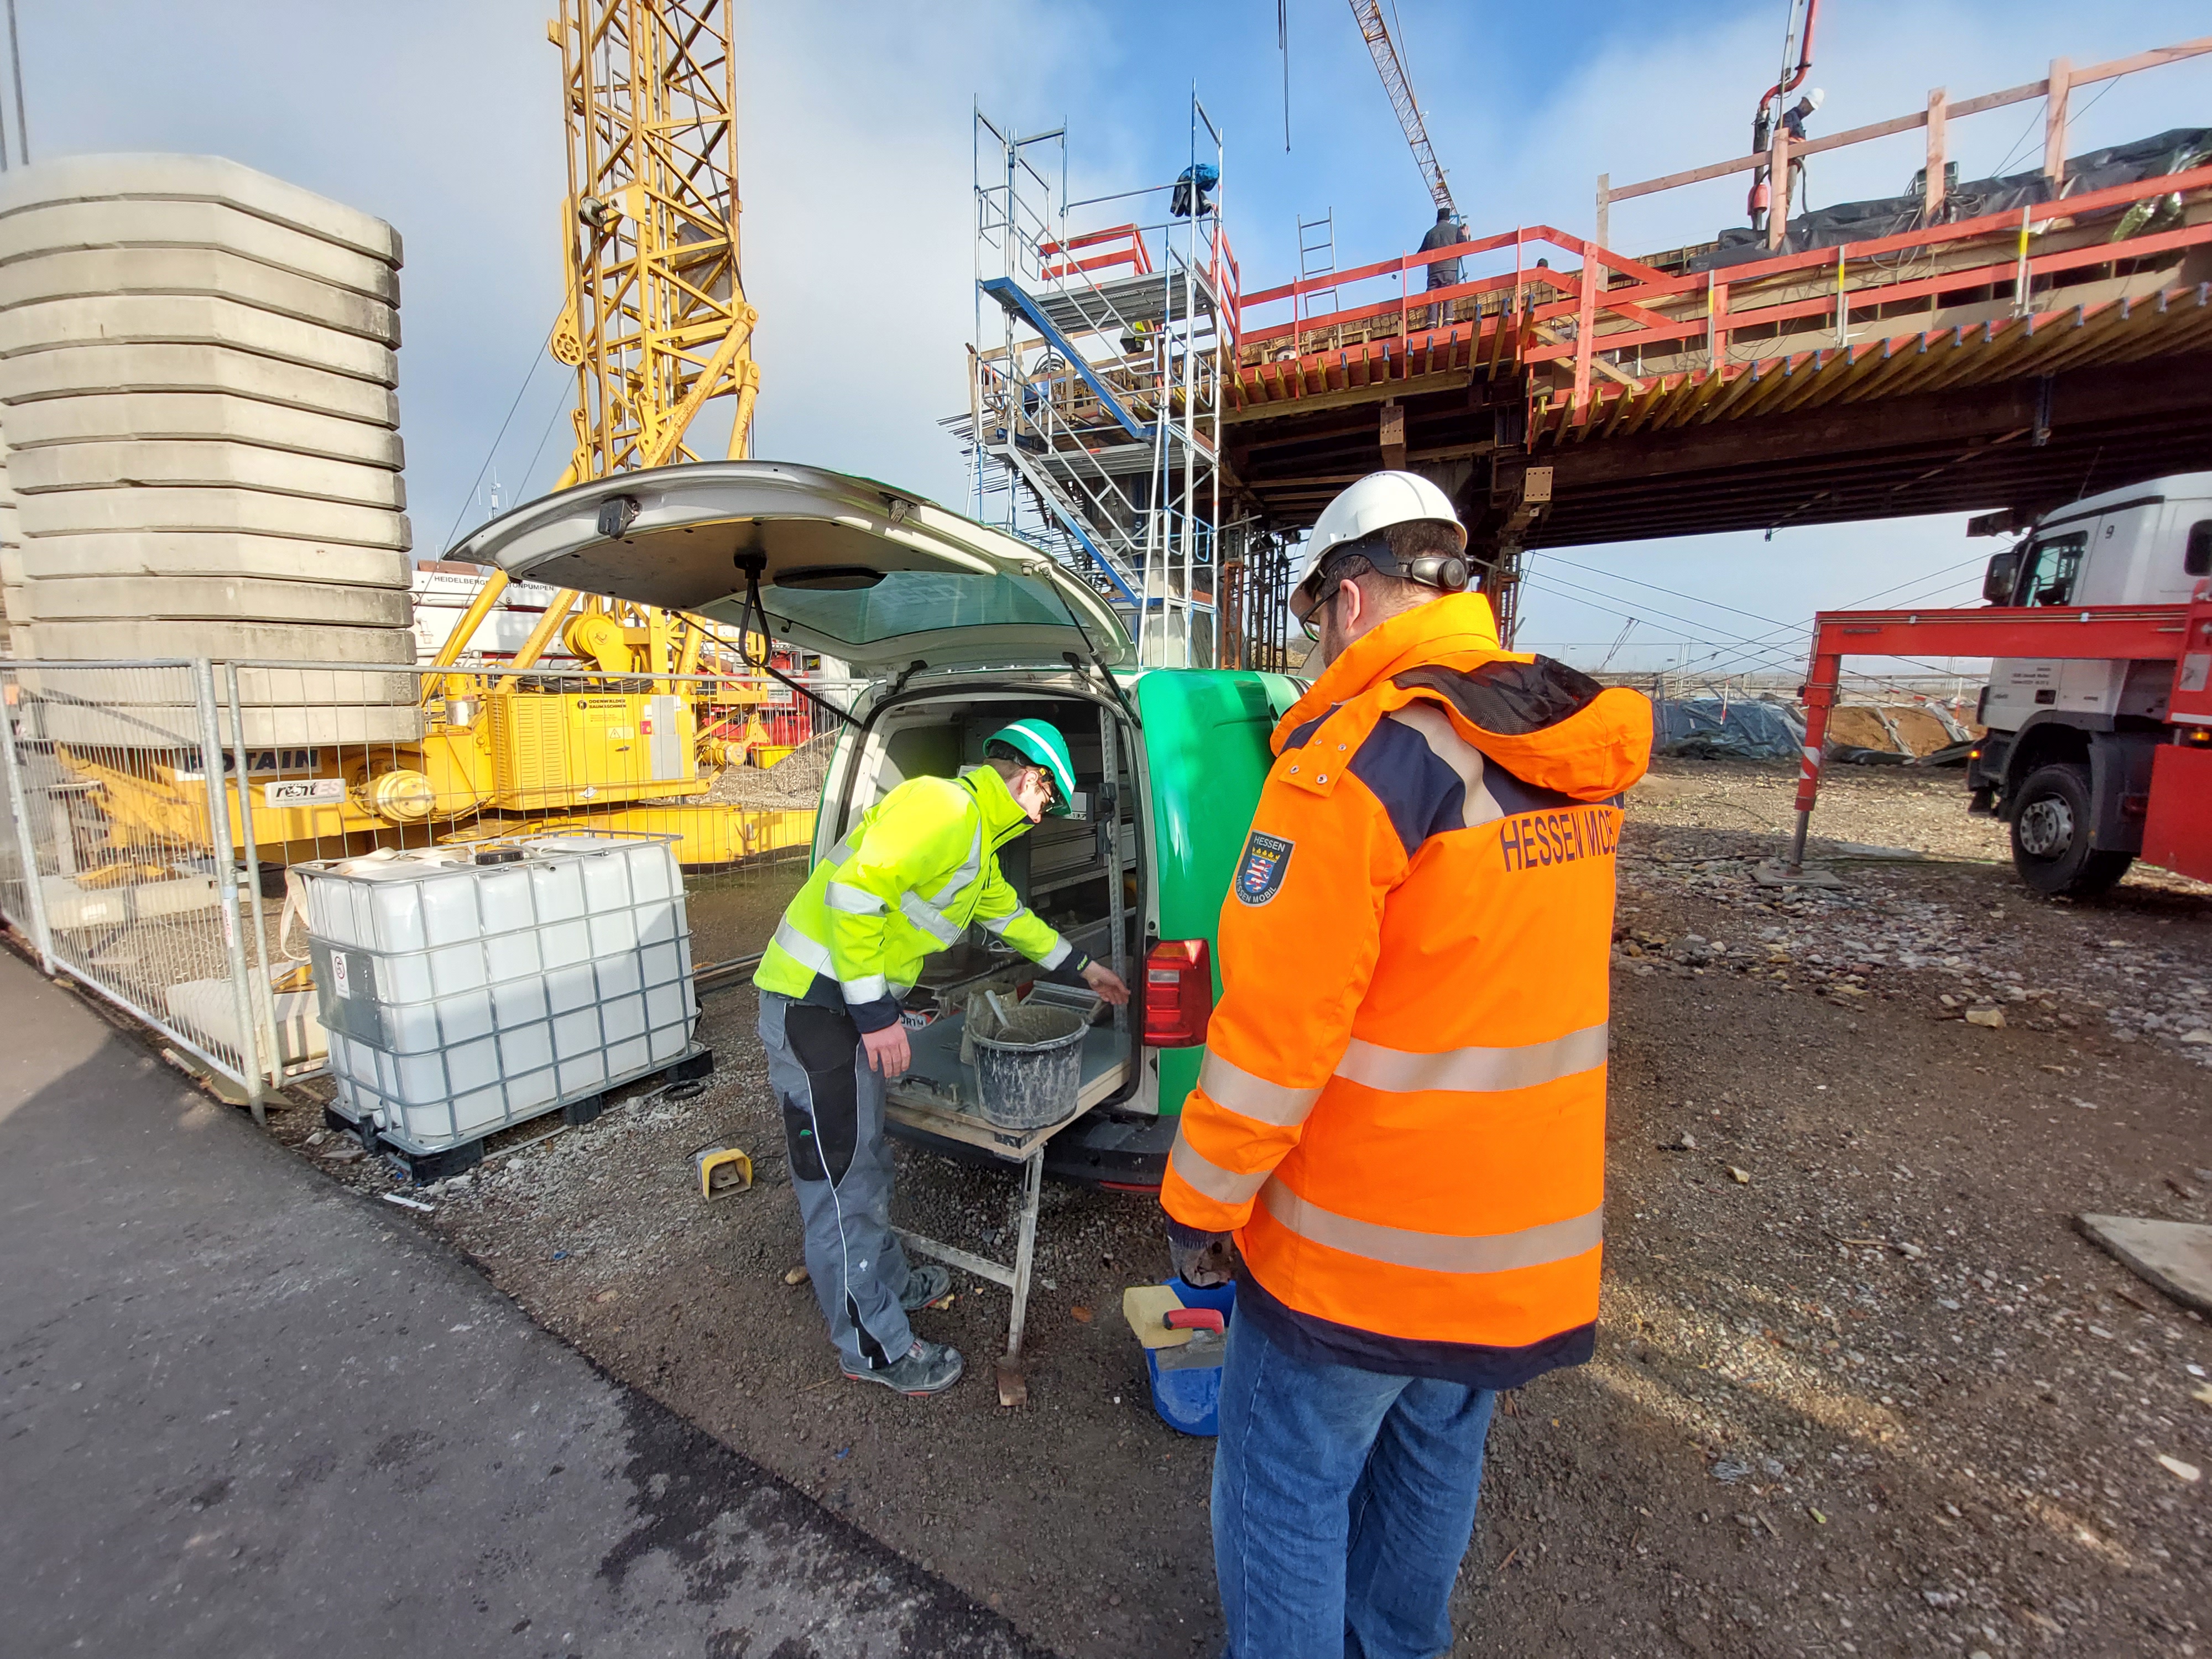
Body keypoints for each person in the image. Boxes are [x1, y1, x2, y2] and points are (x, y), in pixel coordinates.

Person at [1159, 471, 1652, 1658]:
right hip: (1511, 1244)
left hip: (1356, 1254)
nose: (1318, 635)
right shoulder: (1553, 739)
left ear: (1349, 596)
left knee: (1284, 1487)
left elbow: (1277, 1034)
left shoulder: (1358, 761)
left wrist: (1197, 1207)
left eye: (1316, 611)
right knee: (1431, 1469)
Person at [755, 719, 1130, 1396]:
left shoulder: (975, 844)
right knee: (841, 1184)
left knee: (865, 1162)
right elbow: (854, 895)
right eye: (1051, 800)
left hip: (841, 1008)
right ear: (1029, 779)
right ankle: (872, 1348)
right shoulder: (945, 807)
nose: (1048, 817)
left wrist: (1084, 968)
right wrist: (877, 1017)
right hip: (814, 1008)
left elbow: (1010, 917)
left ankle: (889, 1283)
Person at [1417, 206, 1464, 328]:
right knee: (1448, 293)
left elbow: (1420, 255)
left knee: (1433, 295)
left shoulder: (1430, 234)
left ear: (1437, 220)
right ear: (1448, 219)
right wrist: (1466, 235)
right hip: (1449, 269)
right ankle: (1448, 322)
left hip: (1434, 272)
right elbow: (1465, 247)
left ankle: (1431, 323)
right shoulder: (1455, 230)